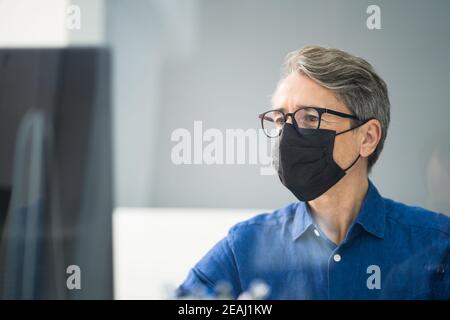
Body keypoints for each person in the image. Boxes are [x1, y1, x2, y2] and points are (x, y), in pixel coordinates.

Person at [177, 45, 450, 299]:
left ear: (367, 137)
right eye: (281, 120)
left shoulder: (436, 245)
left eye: (310, 117)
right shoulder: (245, 246)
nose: (288, 135)